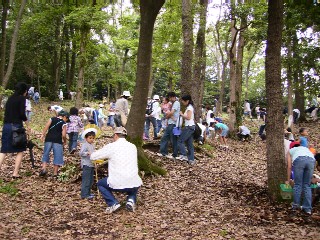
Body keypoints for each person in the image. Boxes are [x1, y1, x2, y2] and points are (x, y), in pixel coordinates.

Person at [91, 127, 143, 213]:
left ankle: (113, 203)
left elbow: (94, 156)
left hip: (117, 182)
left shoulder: (112, 146)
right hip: (133, 182)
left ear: (115, 135)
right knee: (134, 181)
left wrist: (91, 153)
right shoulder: (133, 146)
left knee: (100, 184)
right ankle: (131, 200)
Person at [0, 82, 29, 178]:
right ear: (24, 91)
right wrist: (26, 120)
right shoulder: (22, 98)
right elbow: (22, 113)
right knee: (20, 149)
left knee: (3, 150)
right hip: (16, 127)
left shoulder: (10, 98)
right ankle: (15, 173)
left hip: (6, 125)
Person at [286, 141, 315, 215]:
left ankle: (295, 206)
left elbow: (289, 167)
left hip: (299, 160)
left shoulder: (290, 151)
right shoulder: (306, 149)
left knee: (298, 184)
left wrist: (288, 180)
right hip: (311, 161)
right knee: (307, 185)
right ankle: (307, 208)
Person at [39, 110, 69, 177]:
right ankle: (55, 173)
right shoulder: (64, 123)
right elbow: (64, 135)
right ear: (64, 117)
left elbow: (46, 127)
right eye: (67, 119)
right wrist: (65, 141)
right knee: (57, 155)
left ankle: (43, 169)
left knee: (46, 153)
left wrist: (42, 135)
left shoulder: (51, 119)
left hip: (48, 139)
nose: (66, 120)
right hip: (57, 141)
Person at [158, 92, 180, 159]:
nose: (170, 99)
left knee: (172, 139)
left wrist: (166, 117)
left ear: (173, 97)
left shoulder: (176, 103)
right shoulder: (173, 103)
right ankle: (164, 152)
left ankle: (174, 154)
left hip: (173, 124)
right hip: (171, 123)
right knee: (166, 138)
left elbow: (171, 113)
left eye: (170, 98)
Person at [176, 95, 196, 165]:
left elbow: (188, 117)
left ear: (187, 101)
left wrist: (181, 114)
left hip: (189, 127)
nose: (182, 102)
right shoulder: (189, 107)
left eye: (183, 101)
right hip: (190, 127)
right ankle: (191, 159)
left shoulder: (190, 108)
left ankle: (183, 155)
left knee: (180, 141)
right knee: (189, 144)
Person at [79, 129, 96, 199]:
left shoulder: (92, 145)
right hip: (86, 164)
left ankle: (88, 193)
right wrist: (87, 153)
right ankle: (84, 194)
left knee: (90, 180)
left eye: (93, 138)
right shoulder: (85, 145)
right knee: (86, 180)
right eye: (90, 138)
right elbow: (81, 153)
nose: (91, 139)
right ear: (86, 138)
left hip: (91, 164)